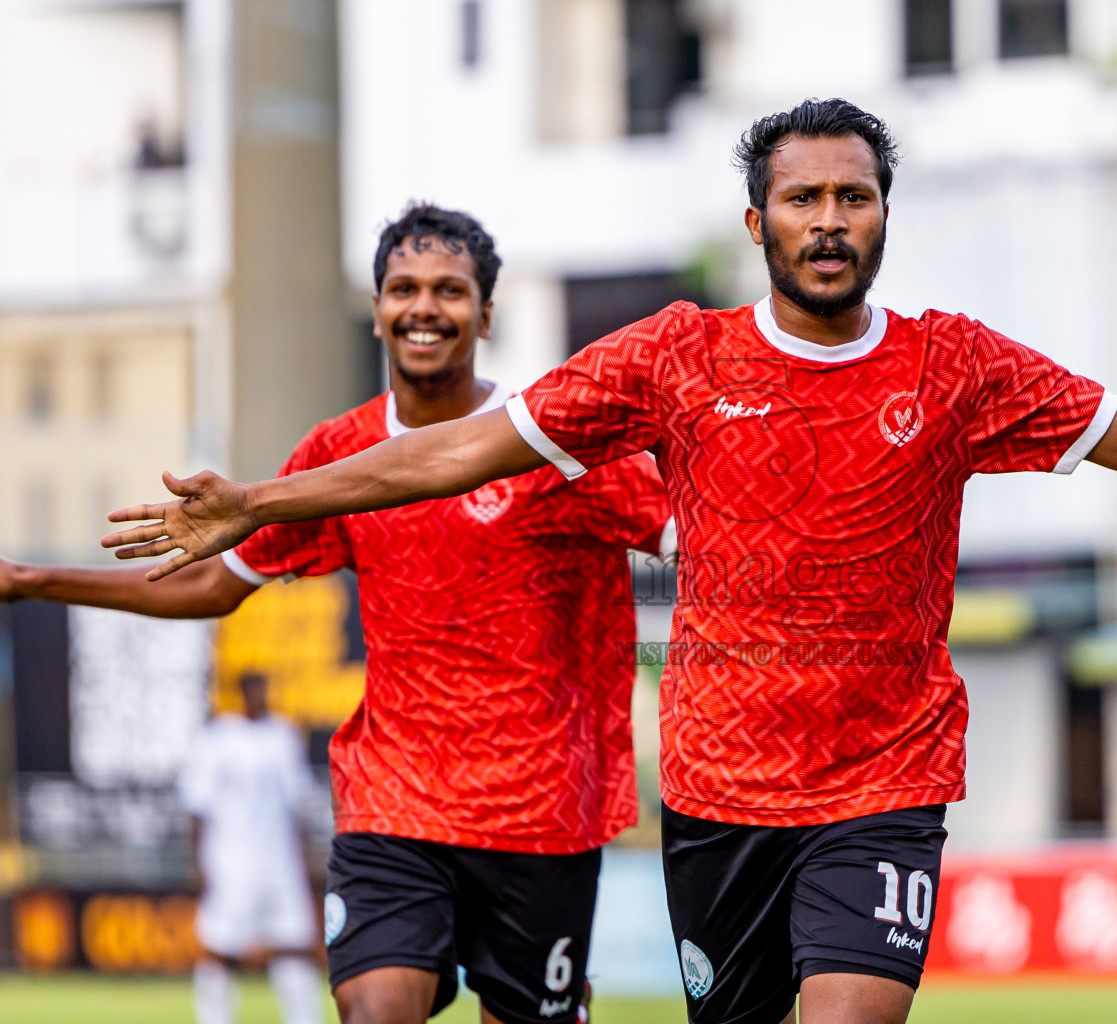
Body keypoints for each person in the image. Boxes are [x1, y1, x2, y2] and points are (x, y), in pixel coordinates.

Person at [99, 100, 1117, 1024]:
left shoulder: (956, 368)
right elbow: (452, 454)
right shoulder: (672, 358)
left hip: (884, 778)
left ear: (882, 215)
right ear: (757, 223)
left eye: (853, 197)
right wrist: (267, 503)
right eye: (804, 200)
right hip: (719, 789)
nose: (829, 222)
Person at [1, 204, 672, 1024]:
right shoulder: (335, 454)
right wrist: (27, 579)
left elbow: (695, 537)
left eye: (450, 290)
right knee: (373, 1010)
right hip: (395, 801)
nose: (424, 306)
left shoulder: (555, 442)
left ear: (487, 314)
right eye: (403, 288)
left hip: (542, 808)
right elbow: (213, 586)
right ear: (380, 307)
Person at [180, 670, 322, 1024]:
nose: (258, 695)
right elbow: (198, 806)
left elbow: (297, 808)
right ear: (240, 692)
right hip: (230, 863)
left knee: (295, 948)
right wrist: (199, 862)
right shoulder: (219, 737)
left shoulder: (284, 736)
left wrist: (305, 862)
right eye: (252, 689)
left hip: (279, 863)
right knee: (219, 950)